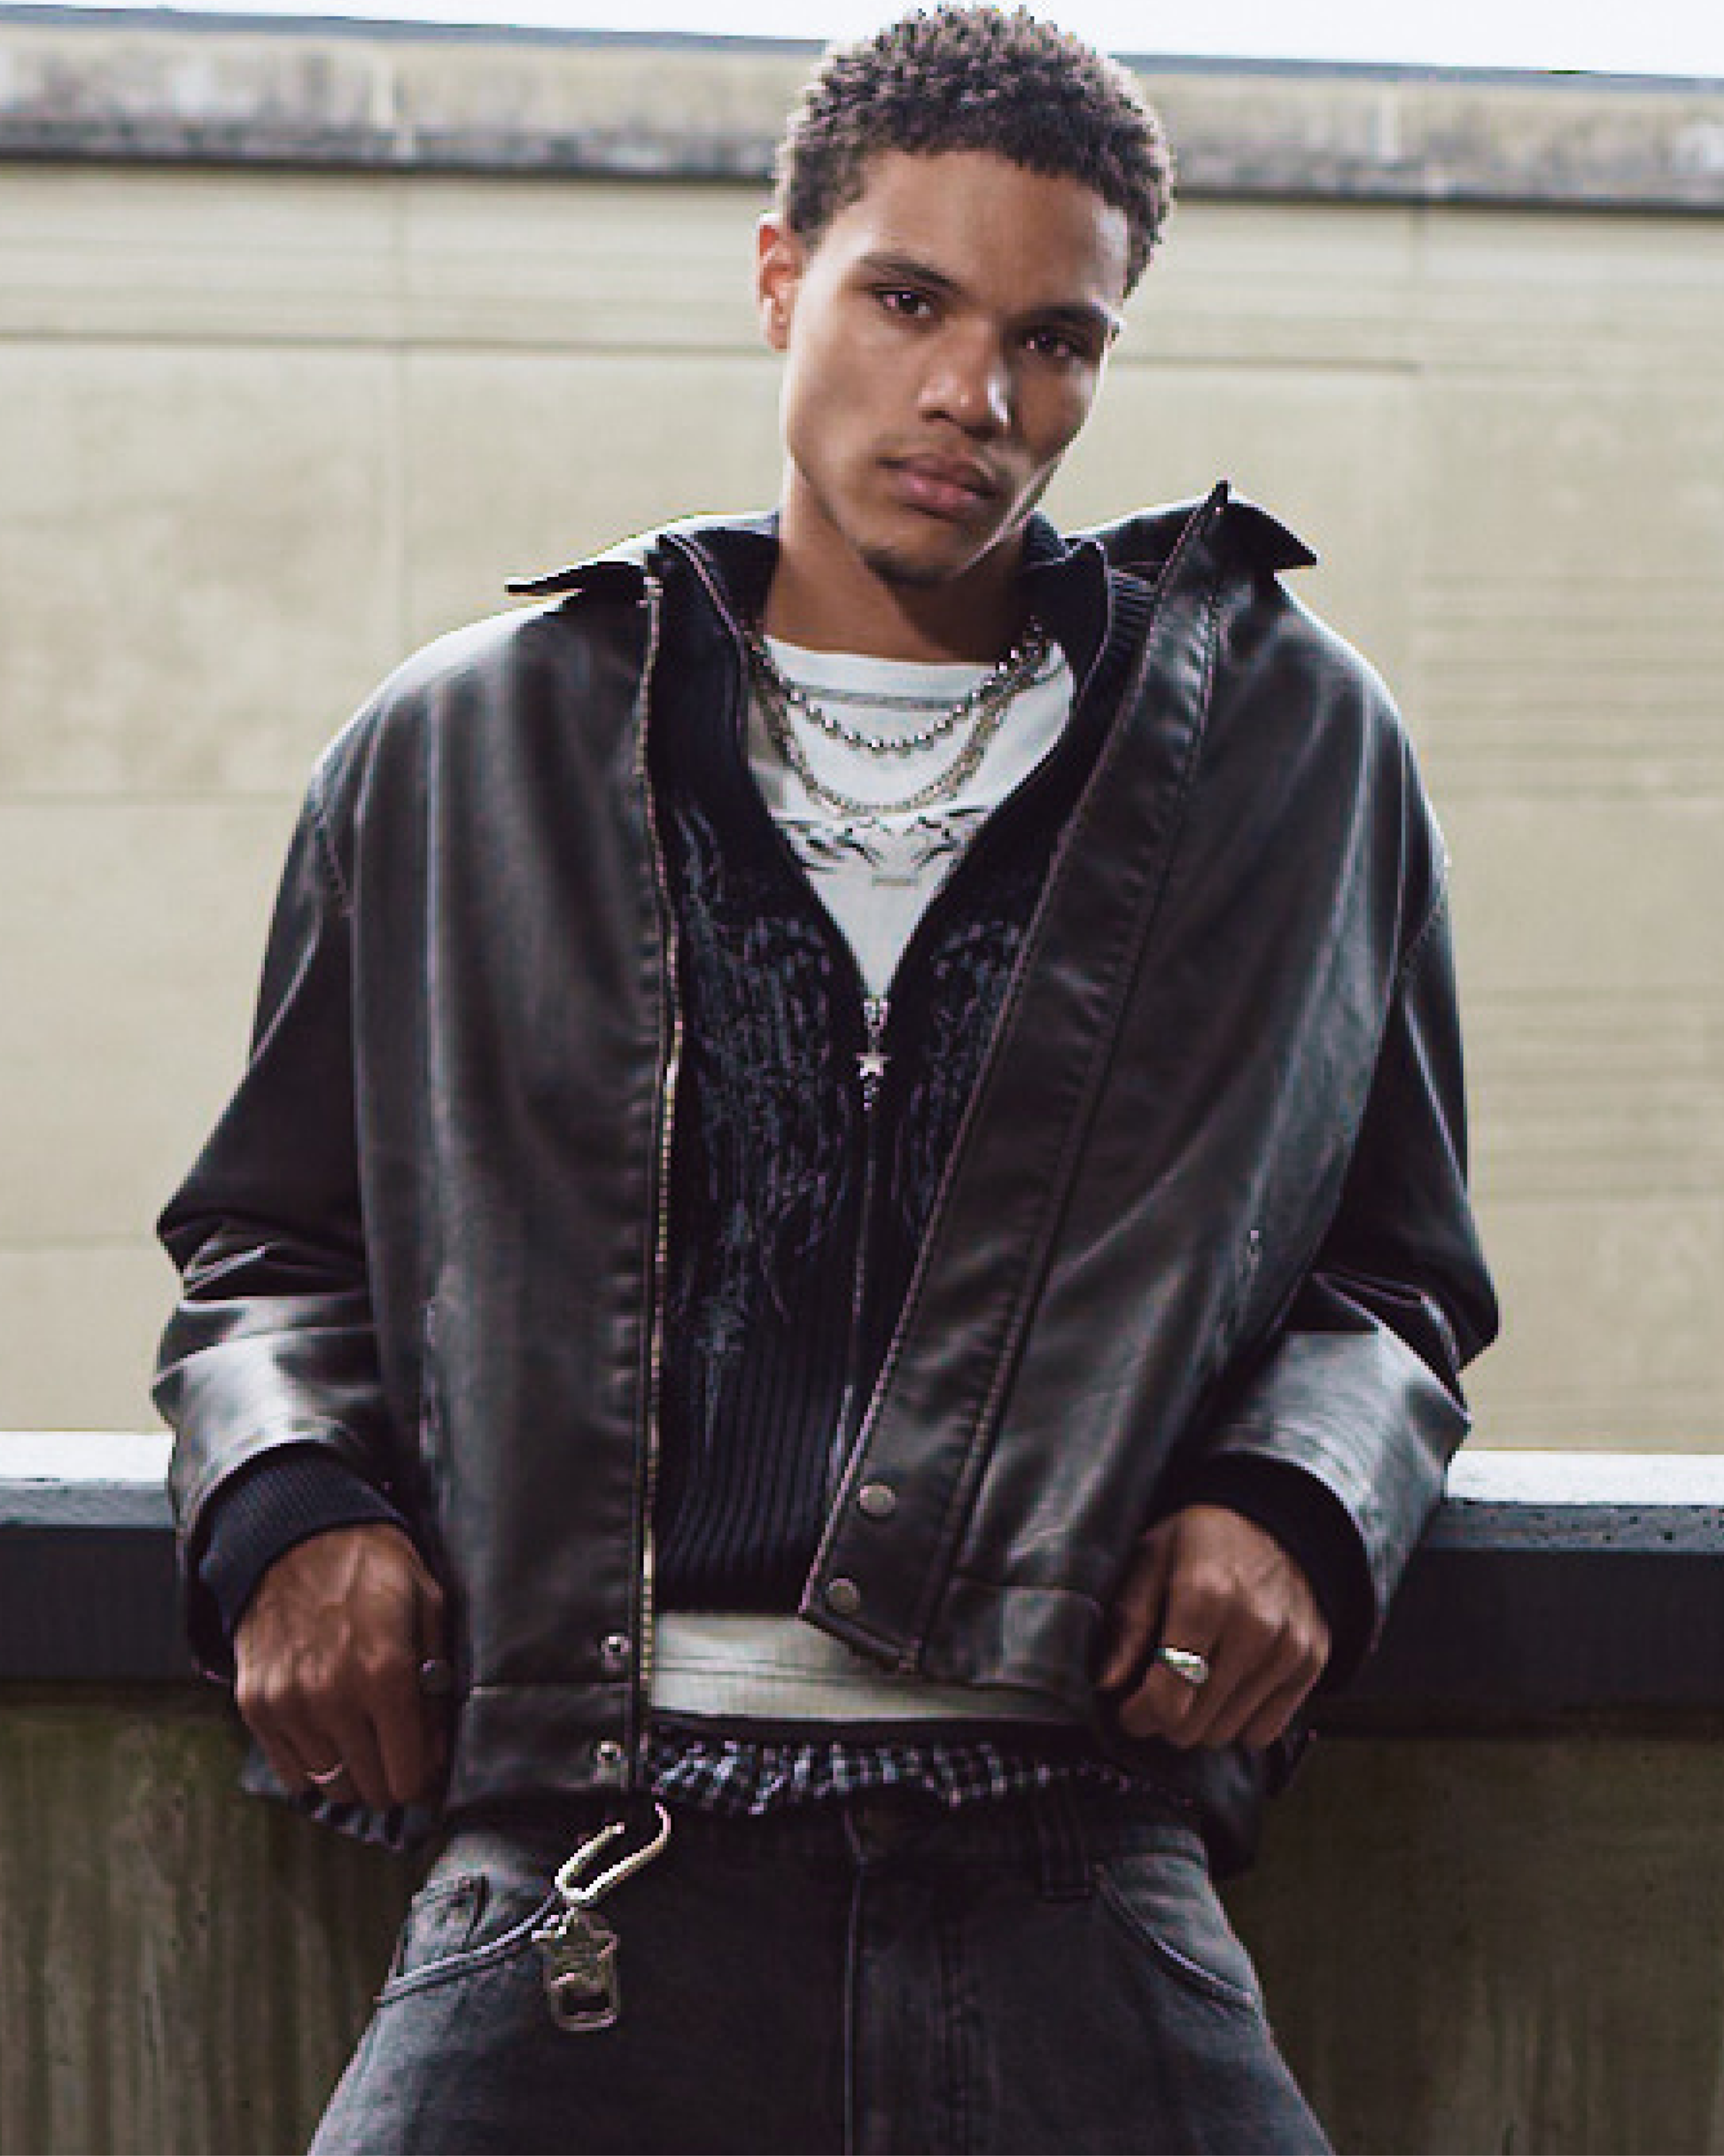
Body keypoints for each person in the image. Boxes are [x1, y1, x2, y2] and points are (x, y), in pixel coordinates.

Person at [155, 8, 1496, 2151]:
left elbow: (1393, 1269)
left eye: (1055, 341)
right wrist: (287, 1506)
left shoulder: (1289, 750)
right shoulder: (467, 745)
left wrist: (1300, 1499)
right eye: (908, 301)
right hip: (586, 1827)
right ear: (781, 277)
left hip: (1070, 1826)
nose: (976, 397)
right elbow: (271, 1245)